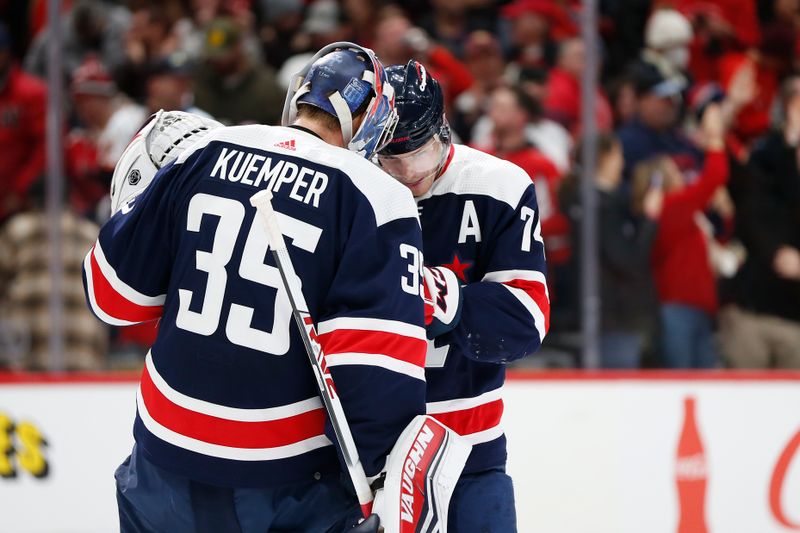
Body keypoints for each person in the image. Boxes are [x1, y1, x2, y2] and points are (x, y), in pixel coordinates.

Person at [83, 43, 427, 532]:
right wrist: (376, 480)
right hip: (280, 485)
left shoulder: (205, 148)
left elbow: (110, 297)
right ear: (370, 122)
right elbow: (376, 371)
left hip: (160, 461)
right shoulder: (376, 196)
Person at [376, 61, 550, 532]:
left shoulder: (499, 185)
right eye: (393, 158)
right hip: (371, 457)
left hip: (469, 449)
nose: (411, 172)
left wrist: (432, 294)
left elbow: (525, 322)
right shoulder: (351, 188)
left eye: (421, 150)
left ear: (443, 129)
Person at [560, 134, 662, 368]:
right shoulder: (598, 206)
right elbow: (627, 260)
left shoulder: (588, 201)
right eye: (619, 156)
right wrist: (649, 219)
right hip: (614, 317)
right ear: (604, 158)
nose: (623, 163)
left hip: (606, 316)